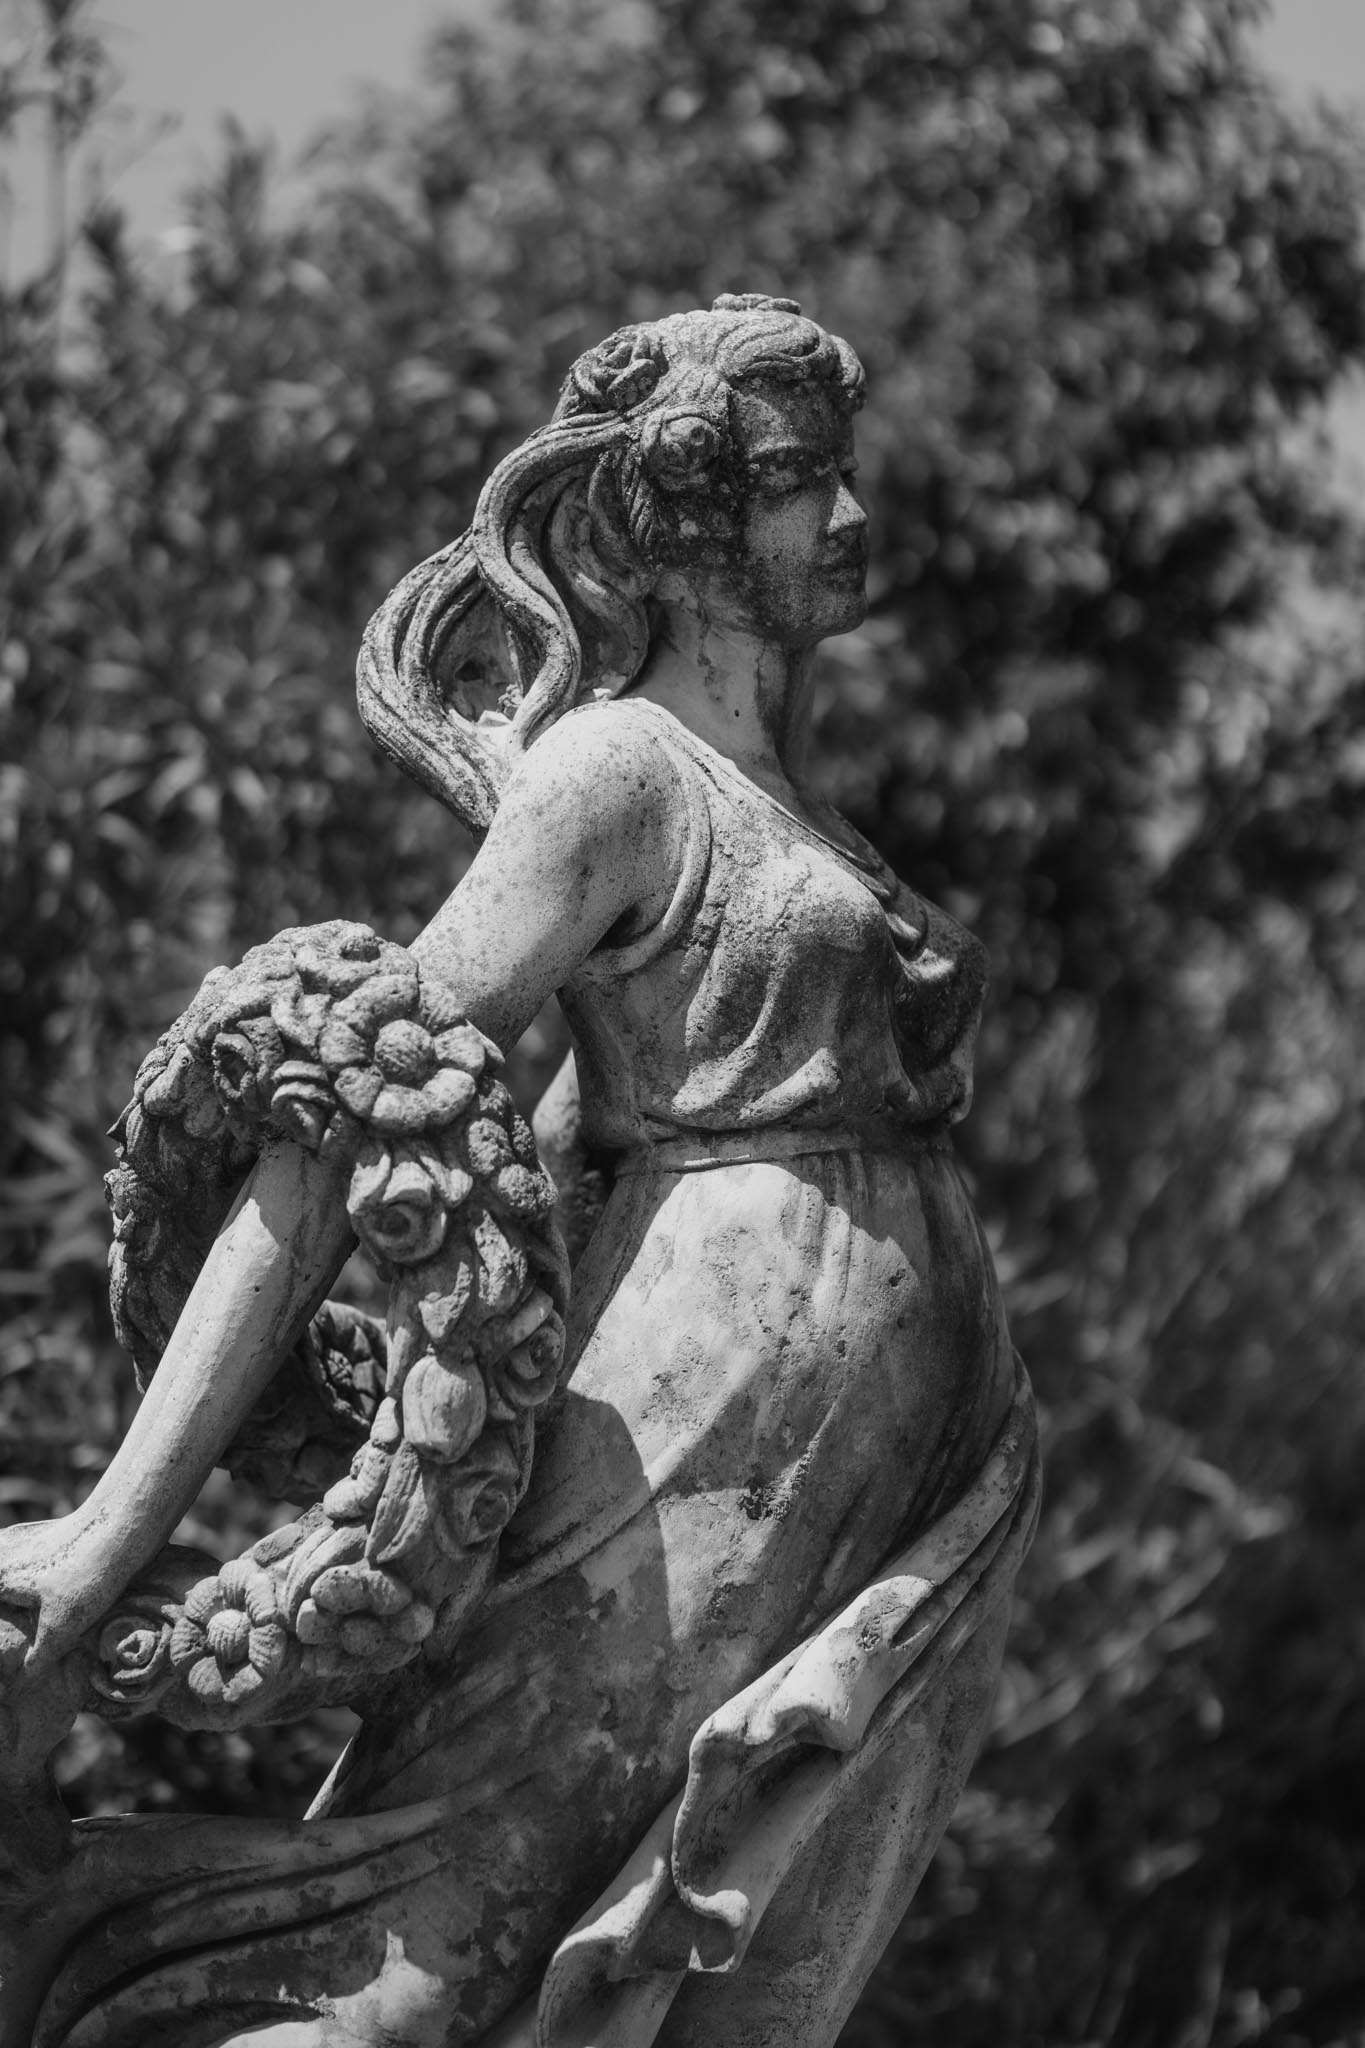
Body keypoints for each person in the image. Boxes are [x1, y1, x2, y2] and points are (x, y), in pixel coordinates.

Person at [1, 296, 1036, 2048]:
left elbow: (558, 1152)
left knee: (745, 1978)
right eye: (795, 482)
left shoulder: (789, 803)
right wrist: (120, 1523)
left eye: (840, 475)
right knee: (434, 1977)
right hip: (702, 1423)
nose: (845, 521)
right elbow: (346, 1109)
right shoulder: (617, 771)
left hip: (897, 1444)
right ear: (687, 512)